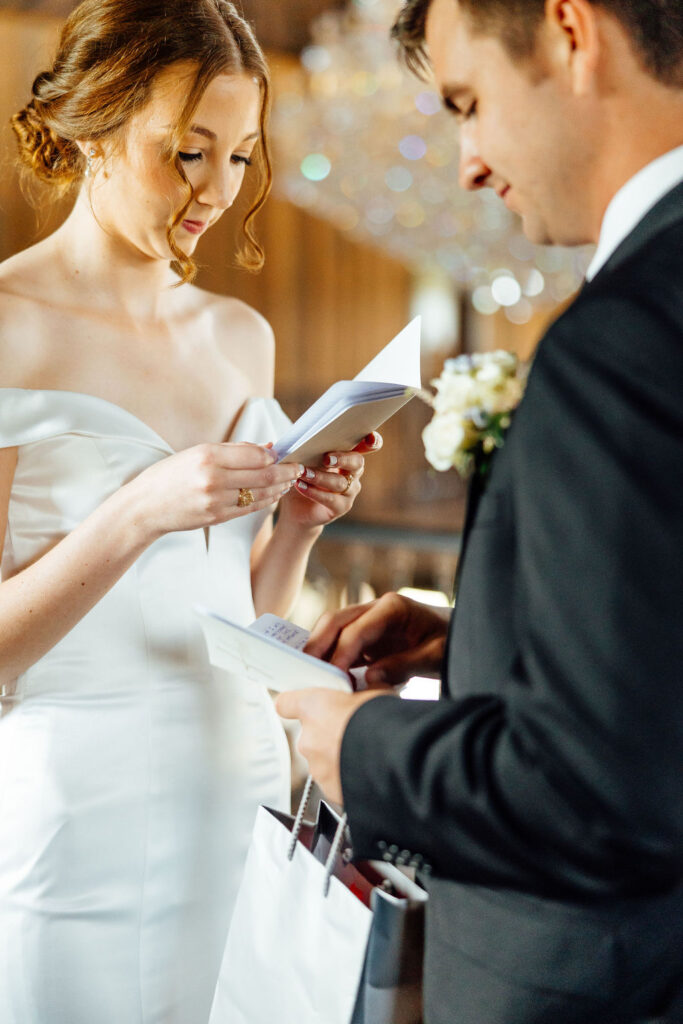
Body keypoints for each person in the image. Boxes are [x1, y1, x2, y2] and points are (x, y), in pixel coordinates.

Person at [277, 0, 683, 1021]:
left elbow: (596, 786)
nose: (464, 163)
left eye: (467, 102)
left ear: (567, 33)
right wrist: (483, 643)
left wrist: (360, 747)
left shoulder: (624, 336)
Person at [0, 2, 380, 1021]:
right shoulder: (7, 329)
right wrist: (136, 511)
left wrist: (297, 525)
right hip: (78, 807)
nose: (216, 190)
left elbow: (230, 610)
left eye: (241, 157)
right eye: (187, 152)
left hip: (236, 783)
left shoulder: (239, 335)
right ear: (93, 128)